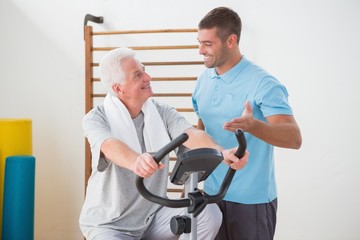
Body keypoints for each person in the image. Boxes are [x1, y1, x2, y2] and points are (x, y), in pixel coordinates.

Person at [79, 47, 249, 240]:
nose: (148, 77)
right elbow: (109, 145)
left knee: (207, 214)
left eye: (144, 70)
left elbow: (190, 134)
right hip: (109, 225)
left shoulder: (161, 112)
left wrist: (222, 153)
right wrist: (137, 161)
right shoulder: (96, 118)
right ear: (118, 88)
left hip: (153, 216)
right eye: (138, 75)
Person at [192, 7, 302, 240]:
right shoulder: (203, 80)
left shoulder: (263, 83)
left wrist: (254, 126)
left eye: (208, 44)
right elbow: (201, 130)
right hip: (211, 197)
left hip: (251, 201)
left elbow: (294, 138)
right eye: (199, 42)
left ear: (231, 41)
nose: (200, 50)